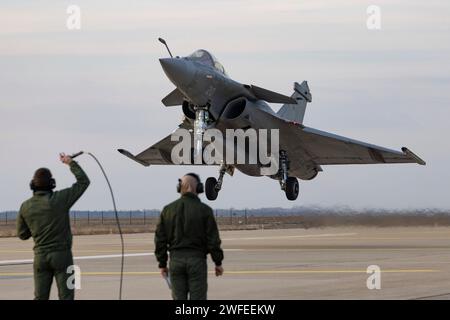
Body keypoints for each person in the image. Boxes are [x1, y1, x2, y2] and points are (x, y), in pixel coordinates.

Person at [17, 153, 90, 300]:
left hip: (40, 259)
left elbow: (22, 234)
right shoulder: (60, 199)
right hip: (64, 257)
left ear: (33, 184)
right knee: (67, 295)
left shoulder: (25, 206)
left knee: (40, 297)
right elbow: (83, 182)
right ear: (52, 183)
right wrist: (71, 163)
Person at [155, 173, 224, 300]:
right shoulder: (205, 210)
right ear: (198, 188)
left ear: (179, 187)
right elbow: (213, 240)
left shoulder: (168, 210)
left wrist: (162, 264)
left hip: (176, 262)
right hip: (197, 261)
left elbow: (160, 240)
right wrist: (218, 262)